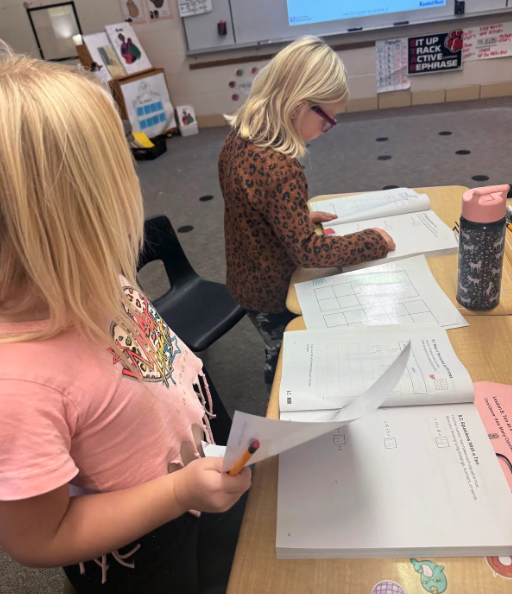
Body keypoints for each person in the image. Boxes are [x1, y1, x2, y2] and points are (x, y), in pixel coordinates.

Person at [0, 48, 250, 594]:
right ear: (74, 211)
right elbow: (38, 538)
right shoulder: (17, 385)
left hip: (196, 474)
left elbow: (151, 369)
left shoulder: (91, 276)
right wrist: (179, 494)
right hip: (144, 549)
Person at [219, 36, 395, 389]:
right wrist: (372, 242)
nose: (326, 130)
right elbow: (308, 252)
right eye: (328, 120)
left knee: (275, 343)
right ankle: (280, 399)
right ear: (300, 106)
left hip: (246, 276)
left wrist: (293, 217)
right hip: (274, 291)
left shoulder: (240, 135)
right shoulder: (281, 169)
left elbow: (250, 205)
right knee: (286, 356)